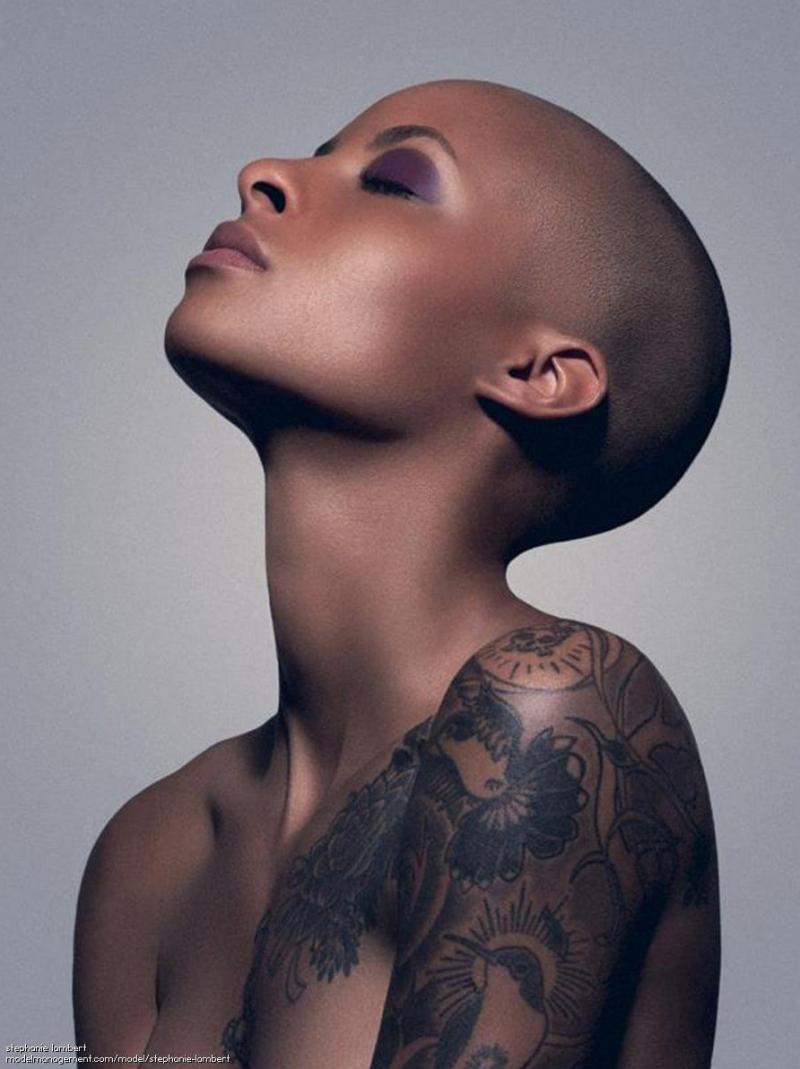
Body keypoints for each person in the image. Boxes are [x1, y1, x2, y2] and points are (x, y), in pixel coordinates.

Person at [72, 78, 729, 1068]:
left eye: (393, 180)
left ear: (537, 373)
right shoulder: (153, 848)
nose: (262, 176)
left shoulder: (551, 710)